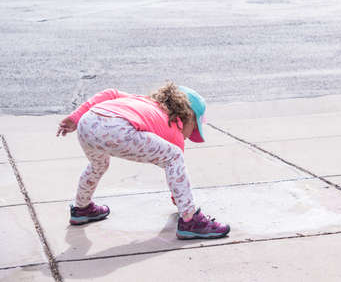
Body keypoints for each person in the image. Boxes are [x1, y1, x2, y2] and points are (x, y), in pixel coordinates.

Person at [56, 82, 230, 240]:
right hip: (119, 128)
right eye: (192, 130)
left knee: (98, 164)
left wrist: (75, 118)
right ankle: (191, 221)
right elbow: (176, 177)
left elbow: (110, 93)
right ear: (188, 116)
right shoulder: (174, 129)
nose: (187, 137)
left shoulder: (141, 100)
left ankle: (81, 208)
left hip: (88, 122)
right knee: (174, 156)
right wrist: (181, 204)